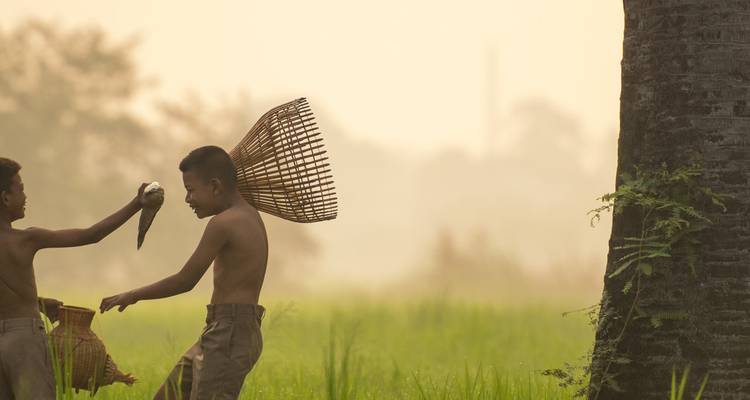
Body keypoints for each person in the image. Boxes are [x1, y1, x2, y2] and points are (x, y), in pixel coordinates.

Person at [100, 145, 268, 400]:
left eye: (191, 190)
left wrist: (132, 295)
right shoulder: (249, 216)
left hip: (230, 333)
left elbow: (185, 280)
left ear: (215, 186)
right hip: (223, 329)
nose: (188, 199)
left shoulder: (224, 223)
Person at [0, 157, 146, 400]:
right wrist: (136, 203)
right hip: (25, 337)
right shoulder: (26, 239)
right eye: (21, 189)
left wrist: (39, 301)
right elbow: (92, 235)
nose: (25, 197)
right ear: (5, 198)